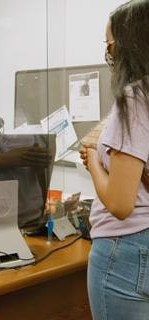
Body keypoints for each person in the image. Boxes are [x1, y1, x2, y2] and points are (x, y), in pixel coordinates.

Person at [79, 1, 149, 319]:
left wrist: (93, 159)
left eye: (110, 44)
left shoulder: (134, 98)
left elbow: (121, 205)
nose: (109, 54)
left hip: (123, 249)